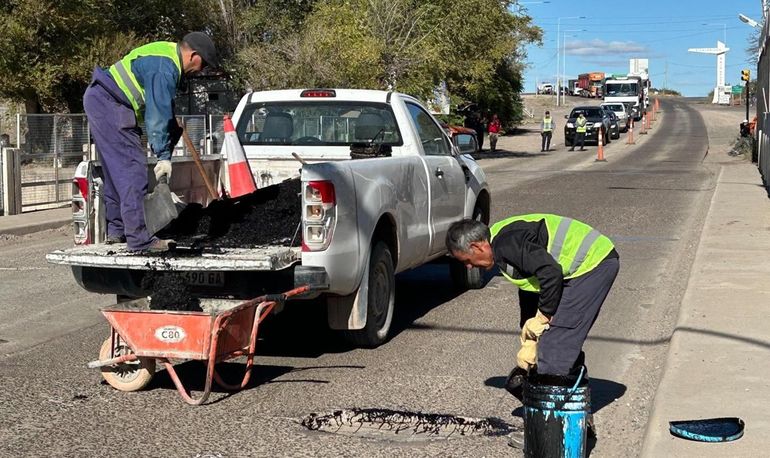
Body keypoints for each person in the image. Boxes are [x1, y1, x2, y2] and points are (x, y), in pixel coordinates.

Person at [446, 215, 619, 448]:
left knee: (555, 348)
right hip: (583, 268)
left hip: (592, 266)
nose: (468, 266)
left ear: (477, 245)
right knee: (554, 343)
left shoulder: (506, 244)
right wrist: (530, 331)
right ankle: (578, 421)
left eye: (467, 260)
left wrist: (545, 316)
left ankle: (551, 436)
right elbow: (531, 286)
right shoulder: (500, 246)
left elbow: (550, 272)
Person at [83, 32, 219, 252]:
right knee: (132, 170)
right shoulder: (165, 67)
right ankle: (139, 239)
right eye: (203, 64)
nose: (201, 70)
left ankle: (118, 230)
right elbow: (156, 117)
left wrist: (171, 134)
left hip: (102, 100)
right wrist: (163, 156)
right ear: (194, 55)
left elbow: (163, 106)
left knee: (115, 171)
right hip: (111, 103)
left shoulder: (166, 55)